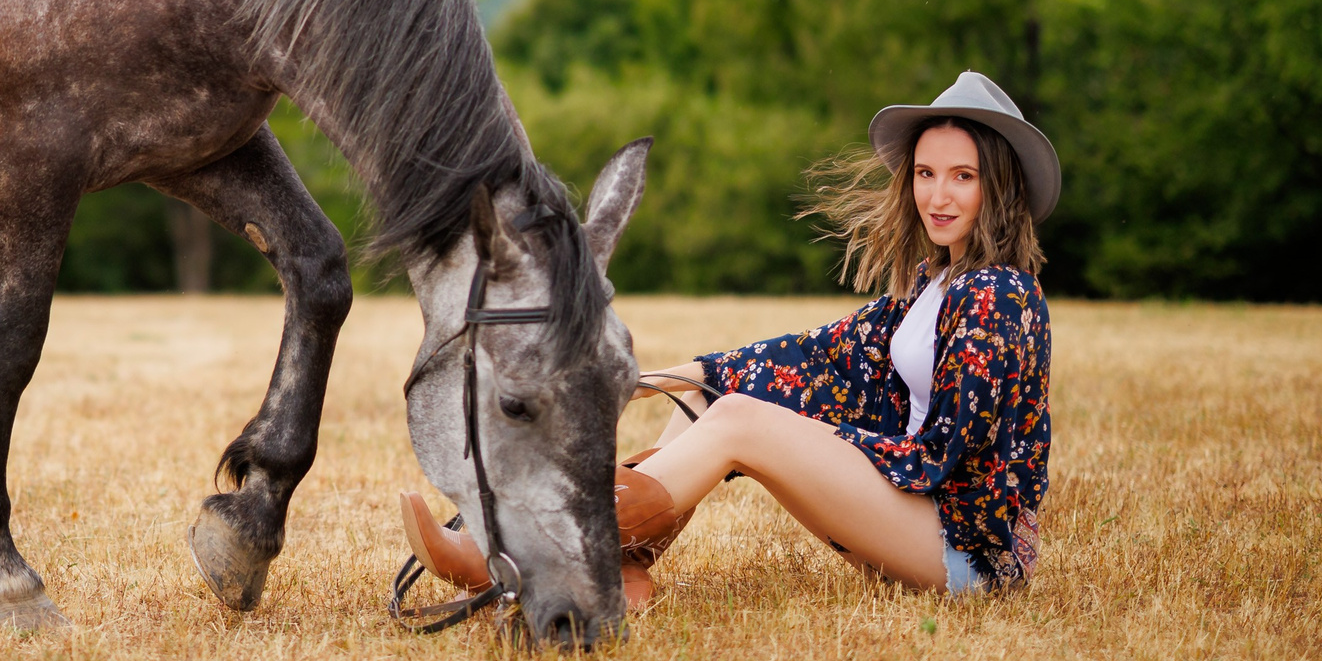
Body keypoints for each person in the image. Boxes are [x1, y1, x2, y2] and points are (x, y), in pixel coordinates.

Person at [399, 69, 1055, 609]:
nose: (937, 194)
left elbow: (943, 455)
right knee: (713, 403)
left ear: (997, 184)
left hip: (969, 551)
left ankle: (509, 552)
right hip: (920, 520)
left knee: (741, 419)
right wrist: (649, 382)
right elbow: (812, 358)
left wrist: (808, 440)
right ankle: (619, 573)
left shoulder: (998, 296)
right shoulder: (930, 289)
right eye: (926, 173)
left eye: (962, 176)